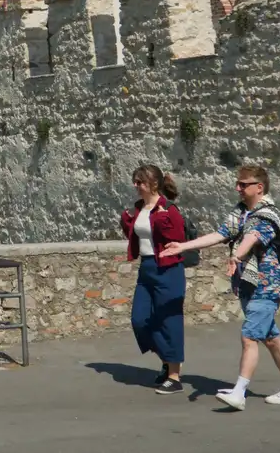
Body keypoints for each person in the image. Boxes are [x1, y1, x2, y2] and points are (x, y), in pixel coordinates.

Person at [160, 163, 280, 410]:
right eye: (238, 184)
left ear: (259, 187)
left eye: (243, 184)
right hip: (249, 283)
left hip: (267, 285)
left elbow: (252, 237)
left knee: (249, 336)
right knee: (270, 338)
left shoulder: (267, 215)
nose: (238, 188)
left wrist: (236, 255)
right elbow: (219, 234)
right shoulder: (241, 212)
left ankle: (239, 392)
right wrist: (182, 246)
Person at [119, 164, 188, 394]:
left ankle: (175, 376)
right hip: (147, 268)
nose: (136, 186)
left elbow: (177, 239)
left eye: (140, 182)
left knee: (169, 321)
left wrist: (161, 219)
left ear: (153, 185)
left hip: (168, 269)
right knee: (140, 320)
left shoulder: (169, 209)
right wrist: (127, 222)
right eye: (135, 181)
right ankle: (167, 361)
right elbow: (137, 235)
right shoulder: (140, 208)